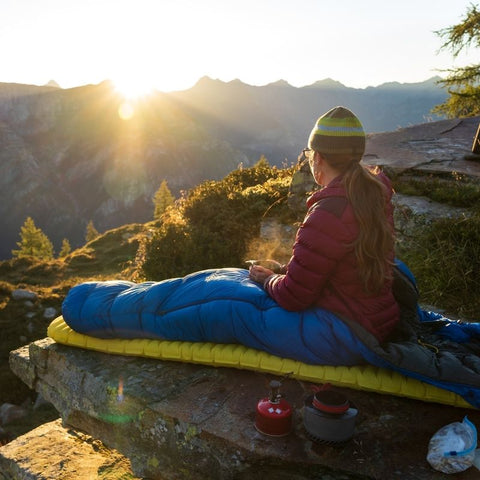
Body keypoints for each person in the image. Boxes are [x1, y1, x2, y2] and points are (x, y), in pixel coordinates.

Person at [248, 106, 400, 342]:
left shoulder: (328, 212)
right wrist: (288, 272)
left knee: (241, 313)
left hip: (347, 332)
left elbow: (293, 297)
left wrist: (267, 280)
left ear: (318, 157)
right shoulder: (373, 194)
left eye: (310, 154)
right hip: (379, 320)